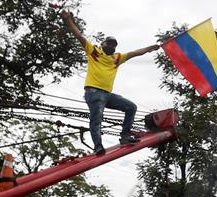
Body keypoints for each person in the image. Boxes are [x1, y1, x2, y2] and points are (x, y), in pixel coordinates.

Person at [60, 10, 160, 155]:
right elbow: (79, 36)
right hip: (94, 92)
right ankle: (98, 146)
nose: (112, 47)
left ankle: (125, 136)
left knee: (131, 107)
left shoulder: (117, 58)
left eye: (114, 45)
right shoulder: (94, 51)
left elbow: (136, 52)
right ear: (103, 44)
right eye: (109, 44)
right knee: (97, 118)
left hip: (108, 95)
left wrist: (151, 48)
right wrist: (68, 20)